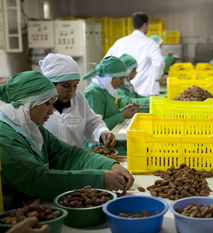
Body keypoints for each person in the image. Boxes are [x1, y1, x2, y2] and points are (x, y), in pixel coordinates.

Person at [0, 71, 134, 210]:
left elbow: (70, 155)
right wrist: (99, 179)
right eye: (46, 104)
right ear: (27, 104)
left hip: (35, 204)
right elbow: (37, 180)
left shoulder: (33, 129)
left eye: (52, 103)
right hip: (13, 216)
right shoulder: (5, 138)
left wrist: (110, 165)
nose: (51, 112)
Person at [39, 53, 116, 150]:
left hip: (76, 162)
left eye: (75, 85)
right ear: (51, 84)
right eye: (65, 86)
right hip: (47, 164)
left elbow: (91, 123)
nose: (71, 91)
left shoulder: (78, 98)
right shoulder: (37, 105)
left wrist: (102, 132)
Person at [83, 56, 137, 155]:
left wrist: (122, 111)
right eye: (120, 78)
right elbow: (96, 126)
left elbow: (108, 114)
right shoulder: (94, 93)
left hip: (109, 140)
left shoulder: (107, 89)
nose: (122, 82)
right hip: (98, 146)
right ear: (110, 77)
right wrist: (122, 115)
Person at [104, 12, 165, 96]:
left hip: (124, 91)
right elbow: (159, 63)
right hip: (146, 91)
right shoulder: (151, 43)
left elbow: (106, 61)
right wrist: (156, 78)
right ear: (145, 25)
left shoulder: (120, 42)